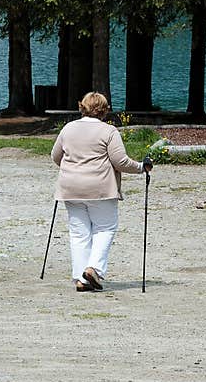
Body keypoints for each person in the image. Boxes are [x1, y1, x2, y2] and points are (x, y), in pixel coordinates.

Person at [50, 92, 153, 292]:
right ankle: (93, 269)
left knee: (79, 233)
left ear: (82, 107)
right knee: (105, 228)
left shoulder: (68, 128)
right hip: (100, 189)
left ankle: (81, 277)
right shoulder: (109, 131)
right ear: (104, 110)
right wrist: (142, 167)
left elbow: (56, 156)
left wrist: (72, 167)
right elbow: (120, 161)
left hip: (70, 188)